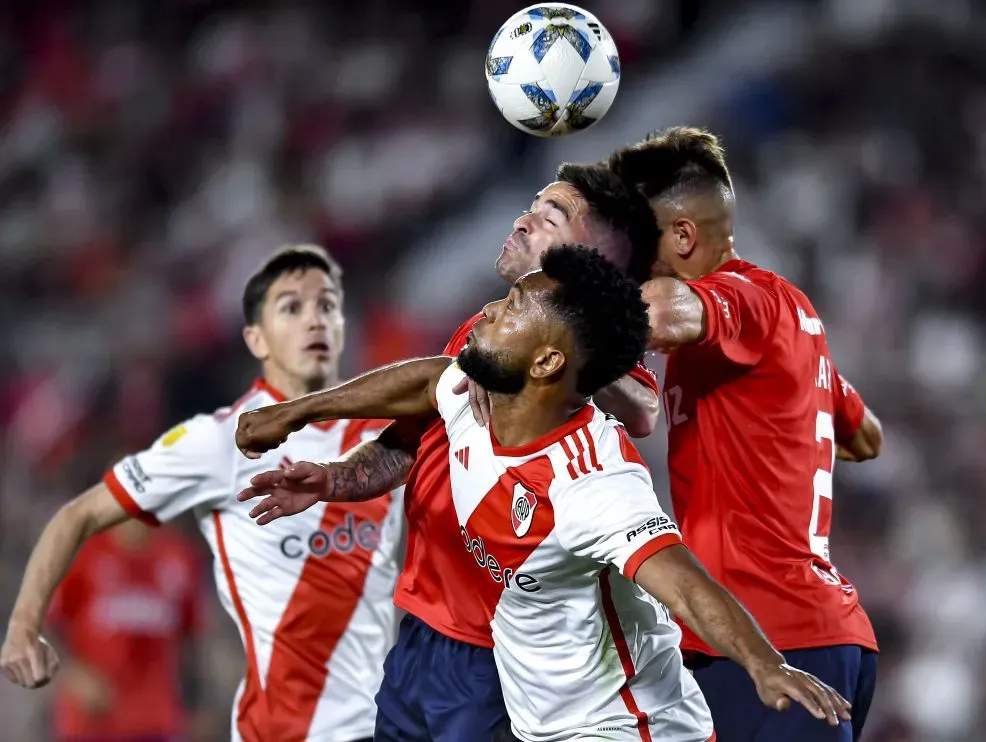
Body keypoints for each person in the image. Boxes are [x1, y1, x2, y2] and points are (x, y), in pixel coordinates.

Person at [235, 245, 852, 742]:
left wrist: (764, 662)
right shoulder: (482, 400)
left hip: (630, 729)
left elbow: (685, 583)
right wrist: (297, 414)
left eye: (512, 306)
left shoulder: (592, 480)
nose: (489, 310)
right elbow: (428, 380)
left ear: (547, 362)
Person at [240, 163, 663, 739]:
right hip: (423, 631)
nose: (522, 222)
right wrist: (333, 479)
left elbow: (643, 411)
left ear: (588, 261)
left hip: (502, 656)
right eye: (531, 207)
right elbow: (414, 445)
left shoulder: (578, 362)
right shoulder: (485, 331)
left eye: (549, 219)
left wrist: (573, 333)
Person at [0, 245, 403, 742]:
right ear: (256, 338)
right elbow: (75, 517)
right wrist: (23, 628)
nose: (313, 320)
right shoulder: (216, 443)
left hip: (383, 718)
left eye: (326, 305)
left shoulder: (387, 440)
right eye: (291, 308)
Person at [607, 127, 884, 742]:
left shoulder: (745, 298)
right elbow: (865, 436)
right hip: (807, 636)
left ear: (683, 236)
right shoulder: (798, 323)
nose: (627, 259)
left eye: (634, 241)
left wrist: (579, 283)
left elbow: (659, 313)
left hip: (772, 641)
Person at [45, 518, 210, 742]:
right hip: (91, 724)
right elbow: (43, 631)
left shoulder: (180, 556)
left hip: (156, 722)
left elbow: (190, 639)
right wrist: (74, 675)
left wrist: (196, 705)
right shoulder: (81, 555)